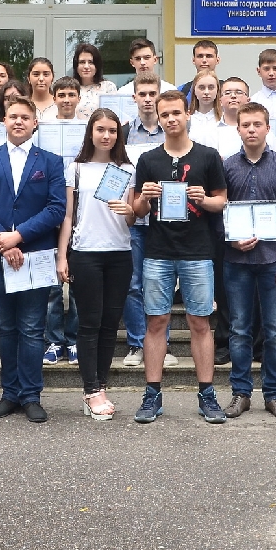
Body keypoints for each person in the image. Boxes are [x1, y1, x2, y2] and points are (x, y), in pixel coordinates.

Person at [129, 91, 230, 425]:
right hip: (158, 250)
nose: (170, 119)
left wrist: (204, 199)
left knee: (200, 322)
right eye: (164, 115)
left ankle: (207, 394)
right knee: (156, 321)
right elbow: (136, 211)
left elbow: (223, 202)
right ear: (157, 118)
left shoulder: (208, 156)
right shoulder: (148, 159)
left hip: (198, 251)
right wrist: (145, 196)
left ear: (187, 114)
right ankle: (152, 393)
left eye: (175, 113)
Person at [0, 97, 67, 423]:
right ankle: (10, 393)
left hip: (34, 256)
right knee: (6, 328)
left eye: (26, 117)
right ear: (4, 121)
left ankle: (31, 395)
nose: (19, 121)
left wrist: (18, 237)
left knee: (32, 328)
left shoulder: (50, 162)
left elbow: (56, 209)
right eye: (13, 116)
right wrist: (4, 243)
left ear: (35, 122)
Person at [221, 102, 276, 420]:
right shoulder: (227, 167)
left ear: (268, 128)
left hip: (273, 262)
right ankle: (240, 393)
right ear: (238, 129)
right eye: (246, 125)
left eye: (257, 124)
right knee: (239, 331)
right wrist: (231, 237)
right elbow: (220, 212)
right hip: (236, 261)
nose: (251, 129)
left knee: (275, 332)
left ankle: (274, 395)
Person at [57, 108, 136, 419]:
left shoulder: (127, 168)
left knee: (109, 325)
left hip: (119, 252)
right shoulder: (75, 169)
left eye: (112, 131)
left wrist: (128, 210)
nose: (107, 135)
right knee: (88, 324)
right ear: (90, 132)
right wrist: (62, 256)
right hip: (85, 252)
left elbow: (133, 216)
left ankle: (100, 385)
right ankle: (91, 390)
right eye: (101, 129)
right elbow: (67, 216)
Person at [121, 71, 171, 370]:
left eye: (153, 94)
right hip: (135, 220)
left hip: (167, 221)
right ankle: (137, 344)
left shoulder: (172, 132)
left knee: (161, 284)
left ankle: (161, 345)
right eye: (144, 94)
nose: (149, 99)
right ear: (135, 97)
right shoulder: (124, 132)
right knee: (134, 283)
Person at [43, 74, 83, 364]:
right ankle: (53, 341)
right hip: (49, 206)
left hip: (81, 208)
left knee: (79, 281)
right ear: (54, 97)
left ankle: (74, 339)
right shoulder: (42, 128)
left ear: (78, 98)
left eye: (72, 94)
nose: (67, 99)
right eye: (62, 95)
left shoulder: (86, 127)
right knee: (51, 286)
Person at [70, 42, 117, 115]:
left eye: (91, 62)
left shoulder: (108, 87)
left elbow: (114, 114)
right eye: (82, 62)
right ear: (76, 66)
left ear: (97, 66)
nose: (86, 66)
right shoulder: (70, 88)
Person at [185, 71, 221, 144]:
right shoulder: (187, 119)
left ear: (217, 90)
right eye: (202, 88)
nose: (206, 92)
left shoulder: (224, 119)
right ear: (194, 90)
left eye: (211, 87)